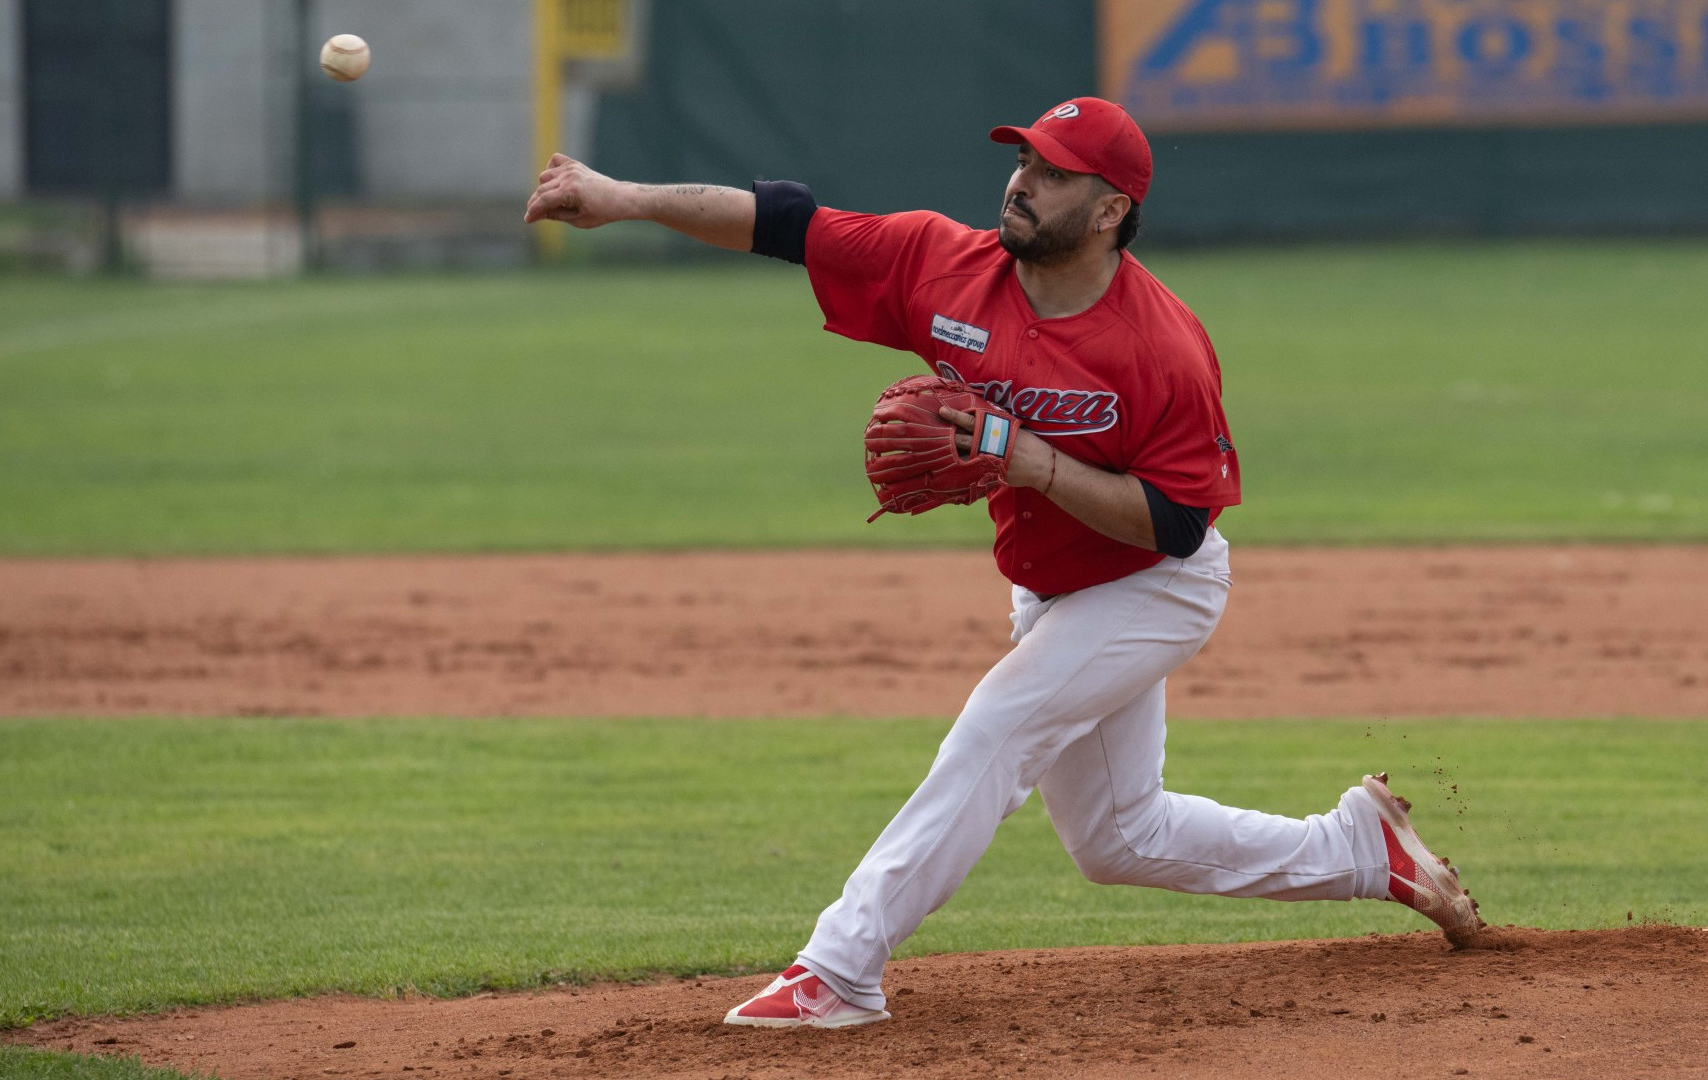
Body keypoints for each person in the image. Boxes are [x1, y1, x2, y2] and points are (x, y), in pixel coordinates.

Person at [524, 96, 1483, 1030]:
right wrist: (624, 196)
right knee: (1119, 838)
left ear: (1111, 211)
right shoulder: (943, 265)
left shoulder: (1163, 347)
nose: (1022, 181)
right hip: (1052, 586)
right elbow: (789, 221)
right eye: (1023, 160)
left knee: (996, 728)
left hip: (1155, 585)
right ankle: (1361, 852)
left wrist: (1030, 461)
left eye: (1053, 173)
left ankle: (839, 969)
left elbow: (1182, 524)